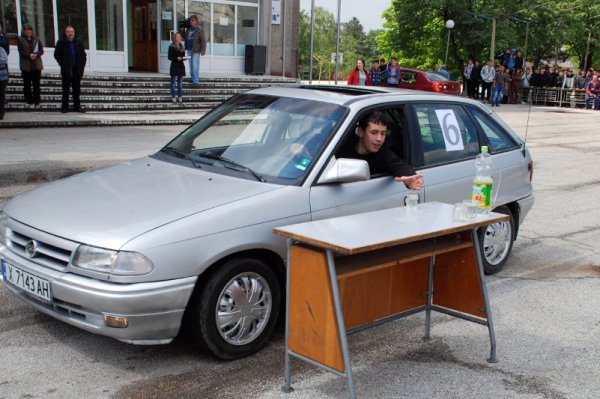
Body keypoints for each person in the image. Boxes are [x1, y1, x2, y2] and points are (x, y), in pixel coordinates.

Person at [337, 110, 423, 190]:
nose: (379, 139)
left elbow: (398, 165)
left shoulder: (383, 154)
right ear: (360, 132)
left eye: (383, 134)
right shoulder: (342, 148)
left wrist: (410, 178)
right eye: (374, 133)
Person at [54, 25, 87, 113]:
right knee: (65, 90)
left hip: (76, 71)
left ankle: (77, 107)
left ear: (74, 33)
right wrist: (62, 64)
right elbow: (57, 55)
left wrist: (81, 67)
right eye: (68, 32)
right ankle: (65, 107)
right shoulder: (61, 42)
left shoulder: (78, 43)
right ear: (65, 33)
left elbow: (83, 56)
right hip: (66, 70)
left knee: (77, 90)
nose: (70, 33)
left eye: (71, 32)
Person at [17, 24, 43, 108]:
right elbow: (21, 51)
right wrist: (29, 55)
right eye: (27, 30)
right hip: (26, 65)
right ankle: (29, 100)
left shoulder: (37, 39)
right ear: (24, 31)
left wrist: (37, 54)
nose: (29, 32)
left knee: (36, 84)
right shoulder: (20, 40)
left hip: (36, 65)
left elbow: (41, 50)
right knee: (27, 83)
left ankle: (37, 100)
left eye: (30, 30)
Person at [185, 15, 206, 85]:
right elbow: (186, 38)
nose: (191, 21)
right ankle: (193, 79)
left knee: (195, 65)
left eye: (192, 20)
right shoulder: (188, 29)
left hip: (196, 50)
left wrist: (203, 50)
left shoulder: (200, 29)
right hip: (189, 49)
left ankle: (196, 81)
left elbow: (203, 40)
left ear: (196, 21)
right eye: (190, 20)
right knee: (191, 65)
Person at [168, 32, 186, 103]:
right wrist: (176, 58)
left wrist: (184, 58)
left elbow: (183, 55)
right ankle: (173, 97)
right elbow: (169, 57)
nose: (179, 38)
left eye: (180, 37)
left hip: (181, 66)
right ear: (174, 38)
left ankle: (180, 96)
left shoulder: (182, 46)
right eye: (177, 37)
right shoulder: (171, 46)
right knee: (173, 82)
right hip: (174, 66)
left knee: (180, 83)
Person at [0, 44, 8, 120]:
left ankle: (1, 113)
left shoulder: (1, 49)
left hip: (2, 76)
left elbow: (4, 59)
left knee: (1, 95)